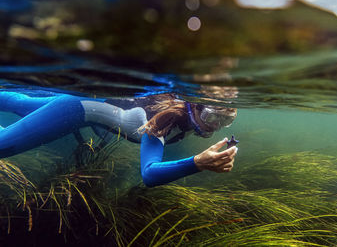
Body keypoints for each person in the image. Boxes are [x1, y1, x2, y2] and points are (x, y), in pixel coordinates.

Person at [0, 91, 238, 187]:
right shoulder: (167, 118)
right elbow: (150, 173)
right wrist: (197, 163)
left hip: (74, 101)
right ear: (193, 106)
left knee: (19, 104)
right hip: (72, 110)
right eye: (211, 116)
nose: (214, 126)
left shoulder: (181, 114)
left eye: (224, 121)